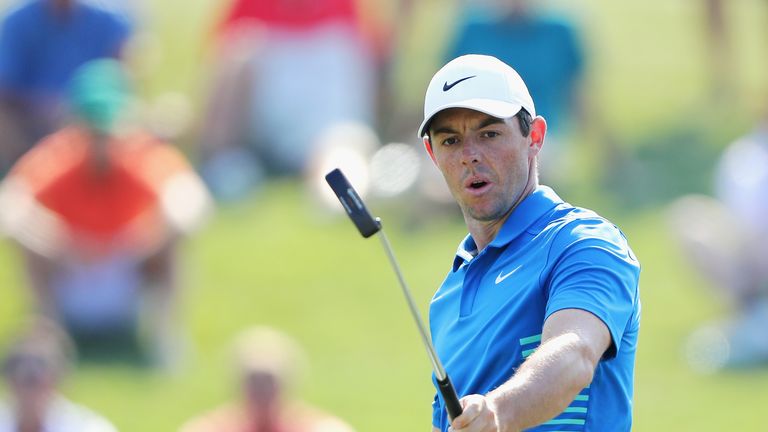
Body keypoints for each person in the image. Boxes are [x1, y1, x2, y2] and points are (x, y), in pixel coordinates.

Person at [418, 55, 641, 431]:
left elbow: (574, 352)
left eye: (489, 134)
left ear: (534, 137)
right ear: (433, 156)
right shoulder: (446, 297)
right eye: (451, 140)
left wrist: (498, 412)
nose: (470, 155)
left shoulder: (583, 243)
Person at [0, 59, 212, 367]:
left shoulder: (142, 154)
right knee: (30, 251)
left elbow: (192, 205)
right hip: (73, 274)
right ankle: (53, 339)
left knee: (172, 250)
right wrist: (60, 241)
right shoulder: (60, 154)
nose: (100, 139)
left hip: (126, 273)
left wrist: (142, 240)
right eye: (92, 125)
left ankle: (164, 340)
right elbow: (10, 208)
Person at [667, 114, 768, 371]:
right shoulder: (747, 156)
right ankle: (751, 311)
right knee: (690, 217)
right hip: (753, 262)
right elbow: (745, 219)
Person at [0, 0, 132, 174]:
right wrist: (47, 106)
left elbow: (119, 79)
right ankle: (19, 173)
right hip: (30, 118)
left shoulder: (110, 21)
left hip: (92, 117)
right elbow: (6, 87)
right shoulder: (17, 21)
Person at [179, 326, 355, 432]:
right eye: (254, 381)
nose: (261, 391)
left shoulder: (318, 427)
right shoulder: (214, 427)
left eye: (268, 381)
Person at [0, 318, 118, 432]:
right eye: (16, 366)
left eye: (35, 379)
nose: (29, 392)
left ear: (59, 378)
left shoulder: (90, 428)